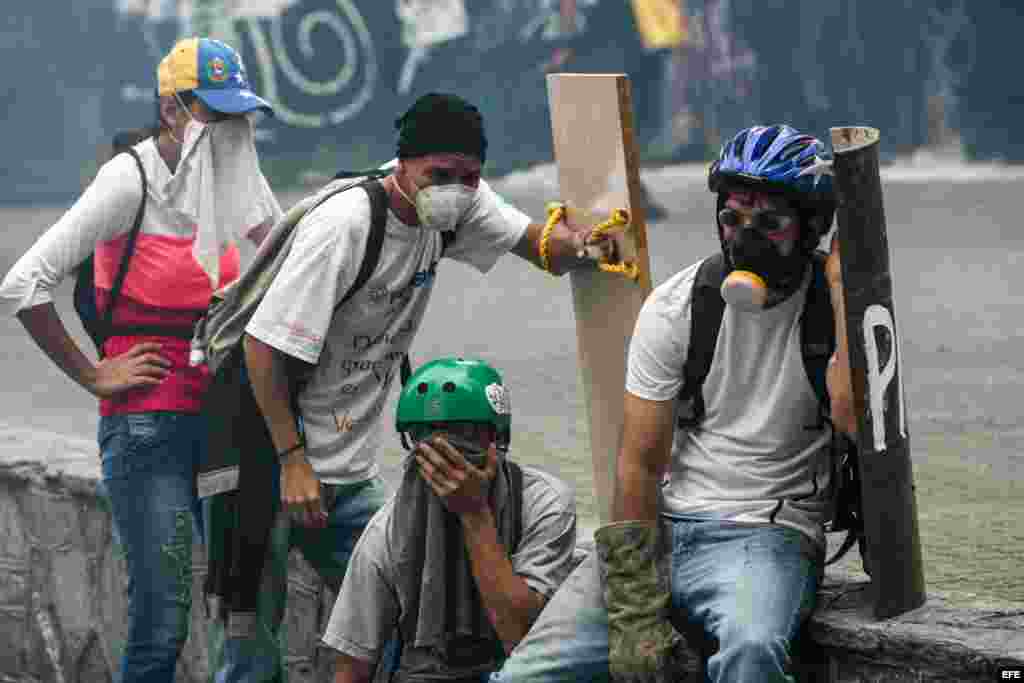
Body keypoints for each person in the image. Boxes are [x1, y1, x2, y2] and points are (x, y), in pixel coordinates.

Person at [207, 91, 614, 681]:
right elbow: (262, 348)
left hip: (347, 471)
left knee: (409, 612)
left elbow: (544, 250)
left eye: (469, 177)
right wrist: (292, 460)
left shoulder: (462, 205)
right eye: (439, 175)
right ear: (402, 164)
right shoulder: (346, 226)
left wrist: (589, 244)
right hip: (262, 460)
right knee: (251, 652)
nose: (455, 189)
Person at [490, 124, 857, 683]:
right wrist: (635, 609)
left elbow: (853, 416)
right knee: (525, 676)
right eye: (732, 218)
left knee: (752, 651)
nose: (745, 237)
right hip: (665, 526)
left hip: (767, 533)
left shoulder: (834, 314)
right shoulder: (678, 308)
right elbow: (639, 464)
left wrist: (845, 288)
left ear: (811, 227)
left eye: (769, 223)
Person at [0, 36, 279, 683]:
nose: (228, 127)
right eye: (212, 112)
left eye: (236, 113)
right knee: (163, 620)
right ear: (171, 109)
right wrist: (93, 373)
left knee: (241, 607)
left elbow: (290, 256)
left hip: (223, 422)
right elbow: (23, 283)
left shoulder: (232, 172)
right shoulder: (131, 179)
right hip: (147, 427)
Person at [323, 357, 577, 683]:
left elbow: (523, 640)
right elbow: (352, 666)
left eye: (463, 434)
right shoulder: (388, 531)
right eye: (426, 436)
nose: (444, 454)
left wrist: (474, 514)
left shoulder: (543, 505)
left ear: (496, 440)